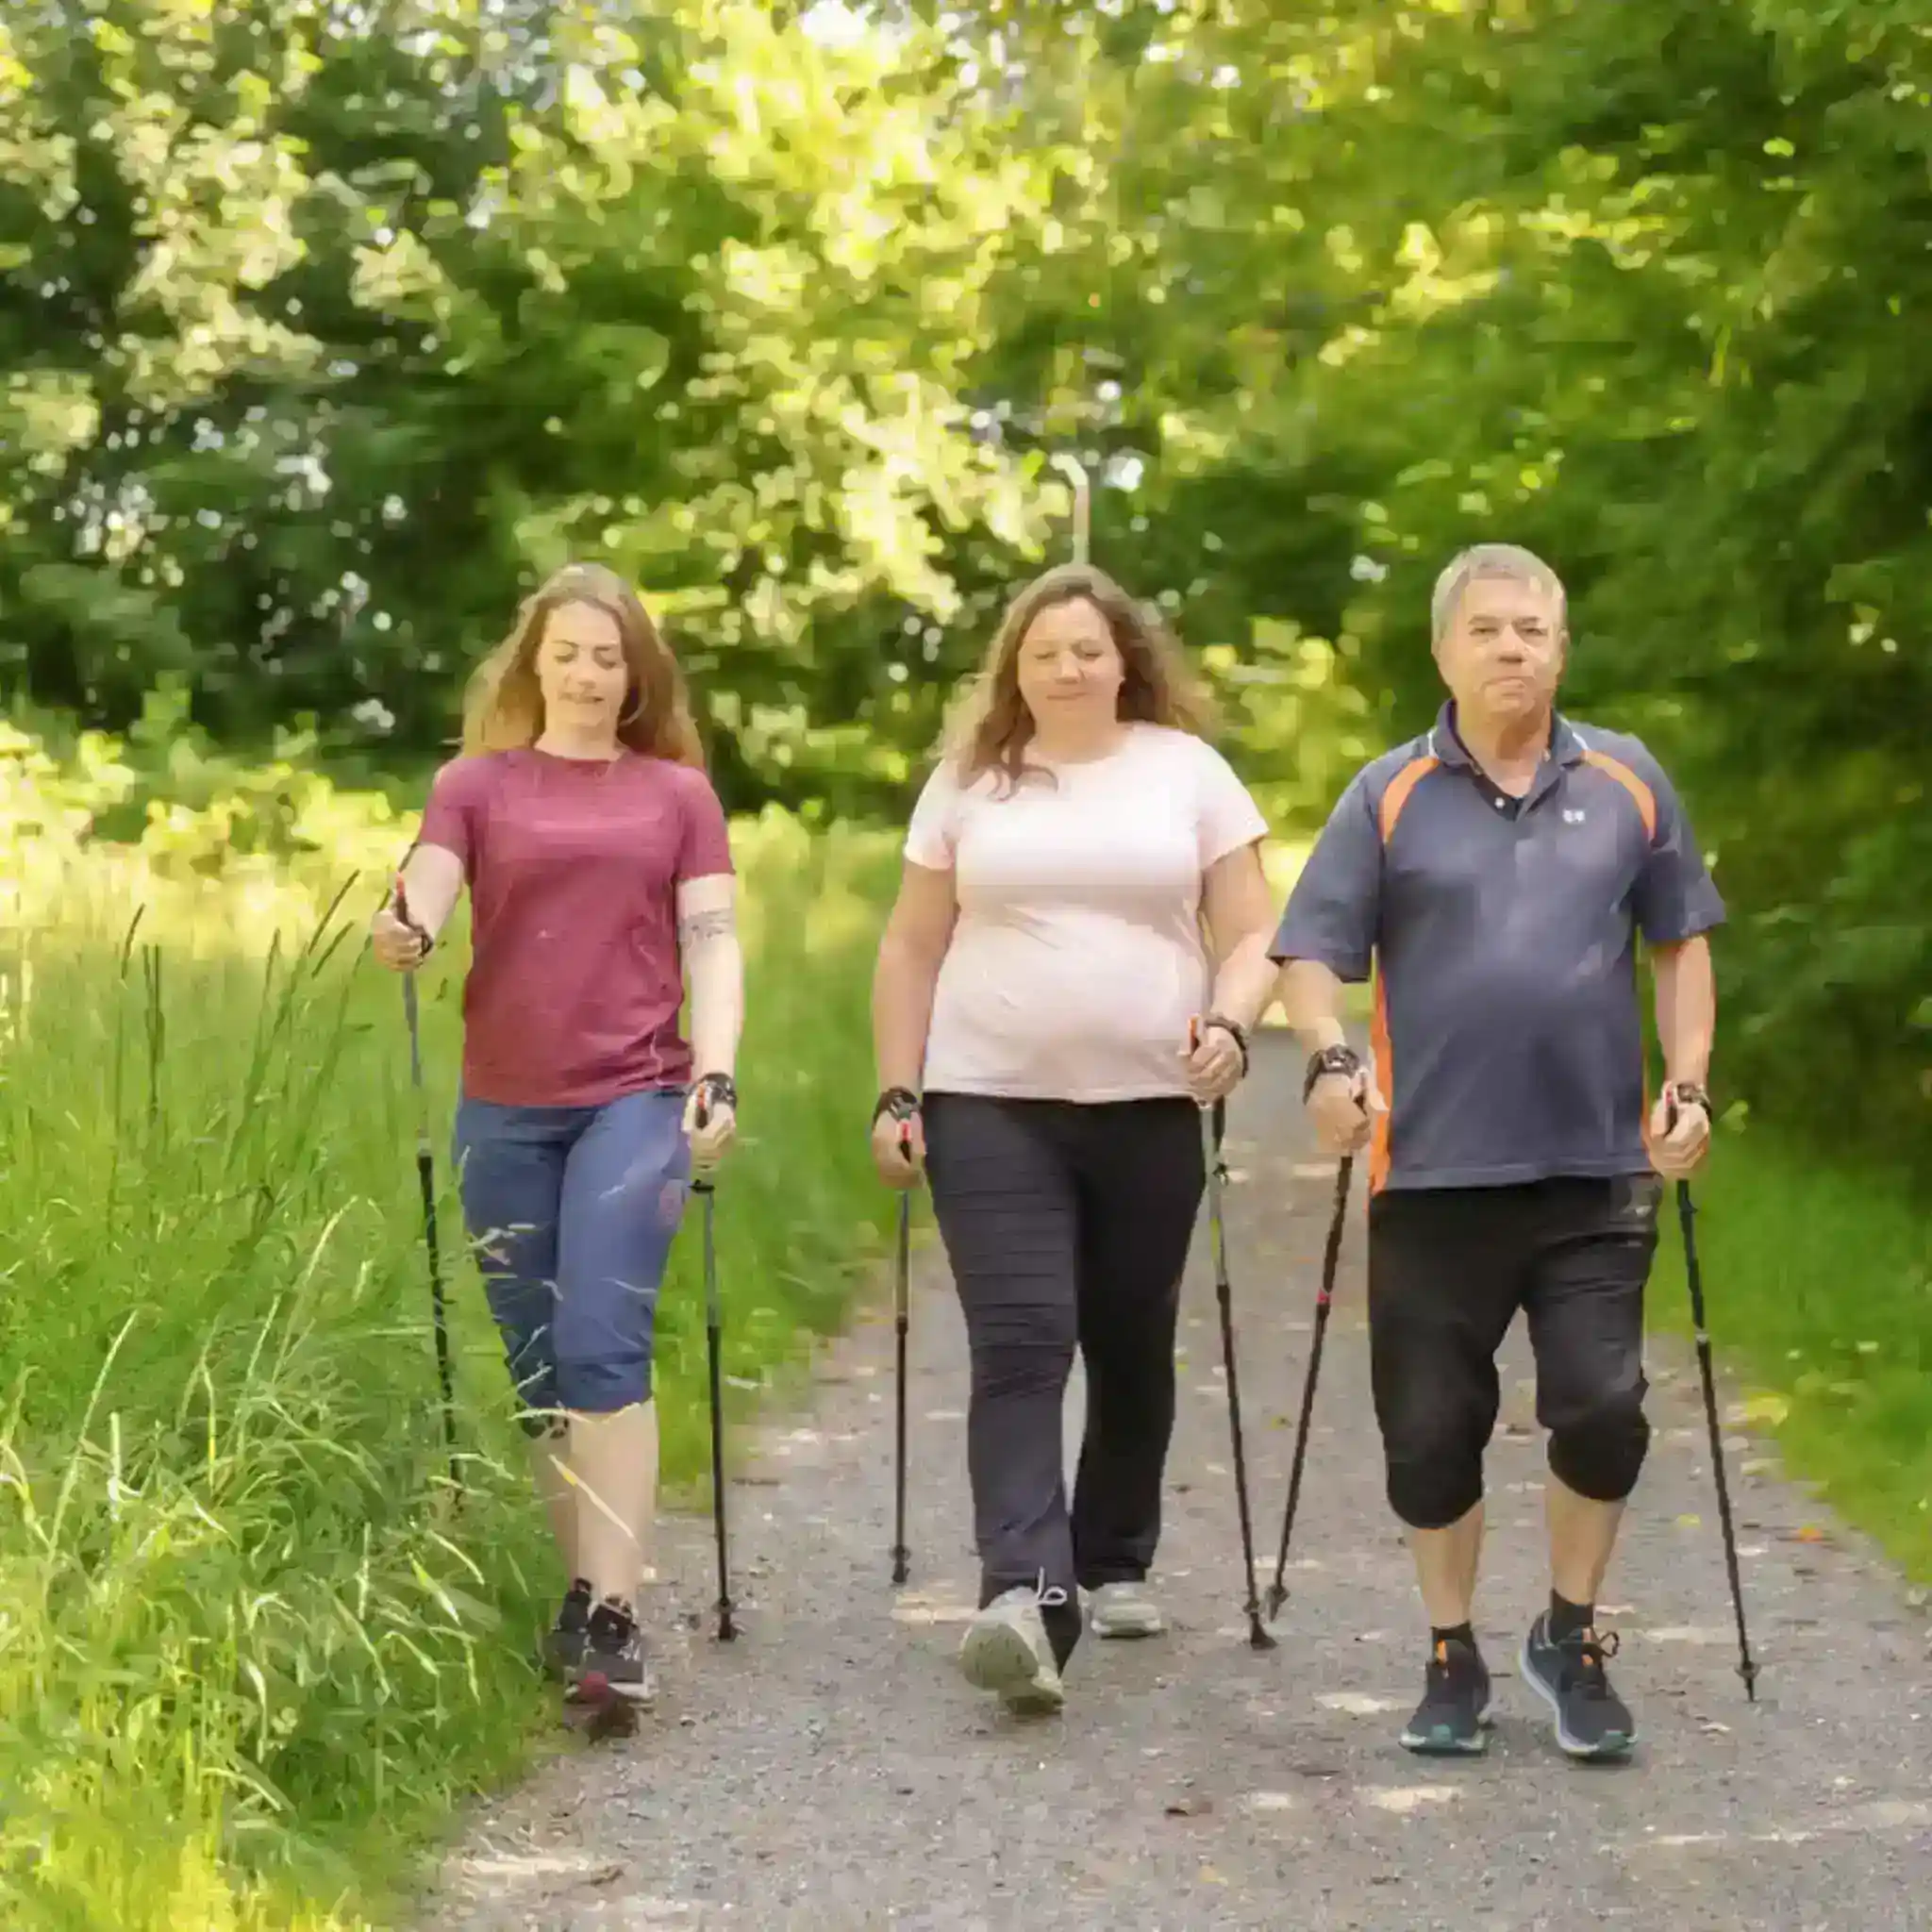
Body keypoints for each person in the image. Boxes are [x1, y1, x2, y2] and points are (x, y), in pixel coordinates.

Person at [1224, 541, 1721, 1762]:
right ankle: (1452, 1647)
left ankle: (1571, 1632)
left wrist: (1693, 1087)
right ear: (1444, 650)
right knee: (1431, 1430)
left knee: (1605, 1410)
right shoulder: (1388, 792)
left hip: (1596, 1169)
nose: (1514, 649)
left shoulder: (1628, 780)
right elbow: (1308, 958)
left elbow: (1681, 942)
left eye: (1535, 630)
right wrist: (1333, 1069)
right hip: (1433, 1172)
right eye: (1489, 629)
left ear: (1562, 649)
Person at [869, 561, 1277, 1718]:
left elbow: (1251, 930)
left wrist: (1236, 1027)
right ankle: (1026, 1595)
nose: (1066, 667)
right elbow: (908, 947)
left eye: (1087, 648)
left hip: (1150, 1101)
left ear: (1123, 659)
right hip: (985, 1096)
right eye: (1043, 650)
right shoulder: (967, 783)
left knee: (1128, 1331)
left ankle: (1115, 1552)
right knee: (1020, 1337)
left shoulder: (1184, 771)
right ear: (1015, 667)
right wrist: (897, 1093)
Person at [368, 560, 741, 1729]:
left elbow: (713, 941)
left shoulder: (676, 795)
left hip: (633, 1091)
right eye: (568, 652)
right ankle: (584, 1586)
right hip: (504, 1104)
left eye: (607, 656)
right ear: (534, 660)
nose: (586, 674)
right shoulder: (473, 785)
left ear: (636, 675)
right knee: (537, 1364)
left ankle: (617, 1619)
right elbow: (428, 879)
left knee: (599, 1338)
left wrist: (717, 1065)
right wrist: (409, 923)